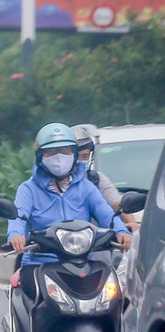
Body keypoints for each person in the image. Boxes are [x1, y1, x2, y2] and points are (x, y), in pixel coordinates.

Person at [8, 121, 131, 283]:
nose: (59, 156)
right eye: (51, 151)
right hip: (40, 263)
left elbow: (106, 213)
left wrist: (122, 230)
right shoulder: (28, 189)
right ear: (40, 156)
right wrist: (16, 235)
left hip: (84, 263)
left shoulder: (86, 187)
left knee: (113, 296)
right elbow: (18, 215)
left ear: (74, 153)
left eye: (65, 150)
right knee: (24, 288)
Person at [72, 123, 137, 230]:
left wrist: (131, 227)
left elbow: (116, 206)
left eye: (85, 156)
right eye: (76, 156)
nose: (80, 161)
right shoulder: (45, 185)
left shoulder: (94, 180)